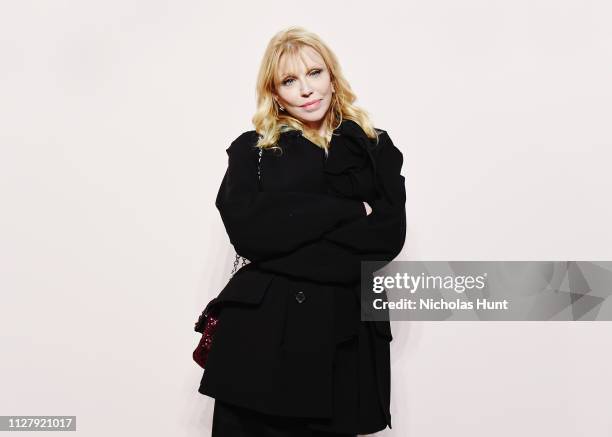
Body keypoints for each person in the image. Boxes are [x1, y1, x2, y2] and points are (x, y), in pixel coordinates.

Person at [198, 26, 406, 436]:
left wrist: (287, 237)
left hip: (342, 341)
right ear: (275, 93)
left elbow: (385, 239)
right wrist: (347, 210)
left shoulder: (373, 147)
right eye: (290, 81)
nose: (306, 90)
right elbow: (249, 233)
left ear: (332, 76)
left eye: (314, 73)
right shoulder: (251, 150)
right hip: (261, 343)